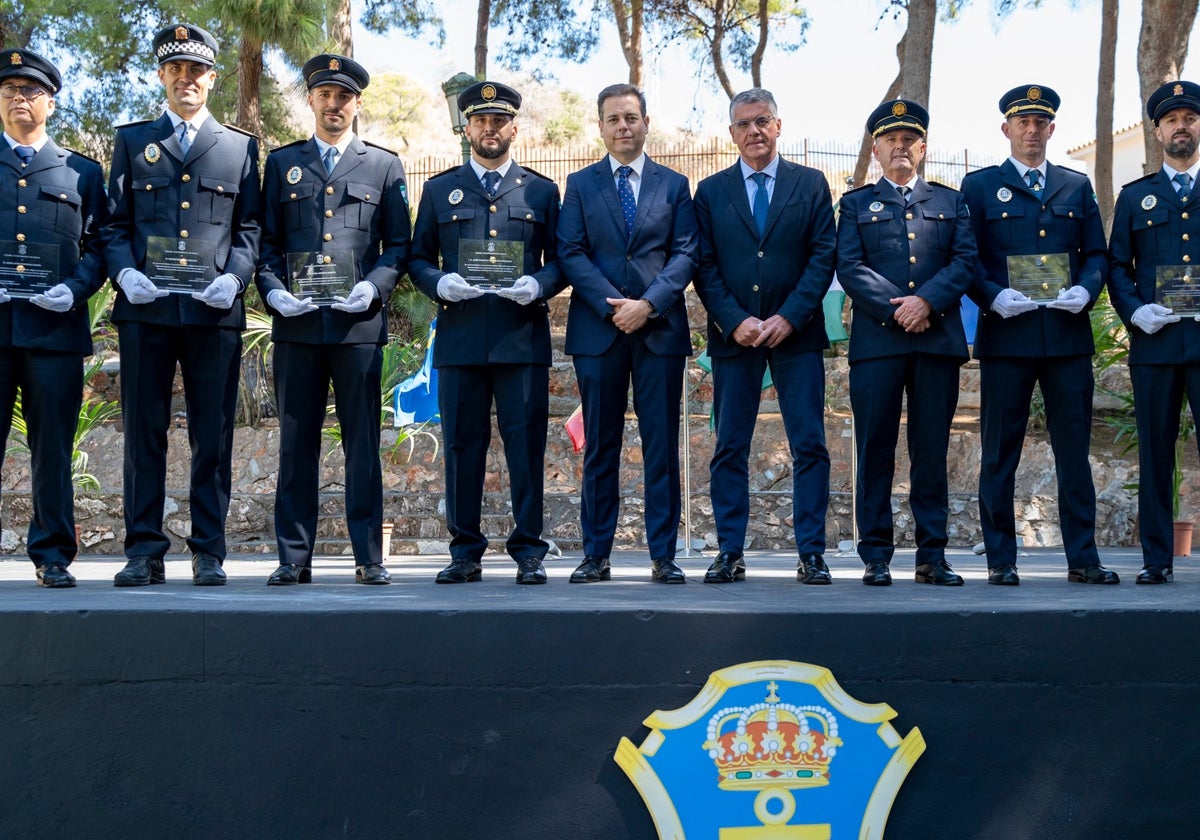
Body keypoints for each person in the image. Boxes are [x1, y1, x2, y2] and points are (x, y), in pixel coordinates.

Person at [101, 24, 262, 586]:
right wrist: (124, 272)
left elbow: (250, 228)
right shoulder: (132, 141)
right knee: (143, 433)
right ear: (163, 77)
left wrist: (236, 279)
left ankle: (208, 550)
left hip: (213, 313)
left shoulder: (239, 147)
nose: (186, 80)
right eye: (176, 70)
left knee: (211, 435)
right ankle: (144, 549)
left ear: (212, 79)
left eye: (196, 71)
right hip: (146, 312)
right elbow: (114, 225)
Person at [256, 54, 410, 586]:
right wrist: (274, 292)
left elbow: (400, 246)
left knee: (362, 444)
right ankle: (293, 559)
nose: (334, 104)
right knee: (296, 445)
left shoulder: (383, 165)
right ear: (312, 100)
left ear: (356, 104)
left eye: (343, 97)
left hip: (357, 328)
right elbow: (267, 244)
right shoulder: (281, 164)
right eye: (325, 95)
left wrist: (373, 286)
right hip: (297, 326)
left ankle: (369, 558)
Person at [961, 85, 1118, 586]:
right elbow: (968, 258)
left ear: (1052, 129)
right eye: (1022, 123)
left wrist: (1087, 289)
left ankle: (1084, 558)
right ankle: (1001, 559)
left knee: (1073, 453)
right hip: (1008, 339)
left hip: (1066, 339)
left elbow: (1097, 254)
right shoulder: (981, 186)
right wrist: (991, 296)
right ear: (1006, 129)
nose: (1031, 131)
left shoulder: (1075, 185)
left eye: (1040, 123)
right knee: (999, 452)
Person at [409, 81, 563, 585]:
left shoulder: (541, 191)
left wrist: (538, 284)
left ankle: (529, 550)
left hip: (521, 338)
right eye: (480, 121)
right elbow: (415, 259)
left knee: (526, 449)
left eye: (499, 121)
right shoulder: (438, 190)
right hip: (461, 340)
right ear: (467, 128)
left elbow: (562, 261)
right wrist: (439, 282)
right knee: (461, 447)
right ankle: (465, 550)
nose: (489, 129)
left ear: (514, 128)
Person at [693, 88, 835, 585]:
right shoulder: (710, 192)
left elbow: (823, 257)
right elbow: (704, 266)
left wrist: (789, 316)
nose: (754, 131)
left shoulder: (812, 184)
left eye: (763, 121)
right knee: (730, 446)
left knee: (810, 445)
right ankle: (730, 551)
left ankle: (811, 552)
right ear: (731, 133)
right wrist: (734, 320)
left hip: (796, 337)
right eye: (744, 124)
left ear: (779, 126)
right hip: (736, 339)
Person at [557, 84, 697, 584]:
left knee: (661, 447)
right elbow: (570, 251)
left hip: (658, 331)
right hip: (599, 331)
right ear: (600, 126)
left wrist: (648, 304)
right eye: (614, 119)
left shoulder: (675, 184)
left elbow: (685, 252)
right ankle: (596, 554)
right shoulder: (579, 184)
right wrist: (614, 306)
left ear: (645, 123)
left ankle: (664, 555)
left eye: (631, 118)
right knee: (600, 447)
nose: (623, 126)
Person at [836, 100, 976, 586]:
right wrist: (901, 309)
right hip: (878, 343)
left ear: (923, 147)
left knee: (930, 449)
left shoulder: (951, 201)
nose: (900, 146)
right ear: (875, 149)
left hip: (936, 342)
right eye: (890, 139)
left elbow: (965, 261)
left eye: (909, 139)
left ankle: (931, 555)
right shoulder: (854, 205)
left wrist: (927, 303)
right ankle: (875, 554)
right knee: (875, 448)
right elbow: (850, 267)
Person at [0, 49, 106, 588]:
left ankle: (52, 554)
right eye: (12, 89)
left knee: (52, 451)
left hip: (55, 332)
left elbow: (99, 245)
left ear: (51, 102)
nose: (21, 98)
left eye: (32, 90)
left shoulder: (82, 173)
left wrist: (75, 288)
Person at [1107, 80, 1200, 584]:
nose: (1181, 126)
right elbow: (1117, 264)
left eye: (1189, 117)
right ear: (1158, 130)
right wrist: (1135, 311)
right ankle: (1156, 559)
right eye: (1172, 120)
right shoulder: (1136, 196)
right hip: (1156, 345)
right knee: (1155, 453)